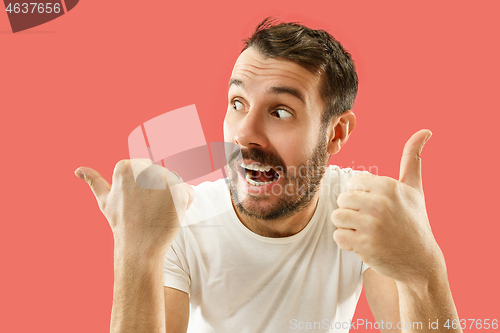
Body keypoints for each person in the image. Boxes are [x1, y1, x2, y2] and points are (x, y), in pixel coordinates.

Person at [75, 18, 462, 333]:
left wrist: (423, 267)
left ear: (336, 133)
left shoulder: (361, 213)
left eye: (280, 111)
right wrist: (135, 251)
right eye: (238, 103)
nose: (243, 134)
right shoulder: (181, 223)